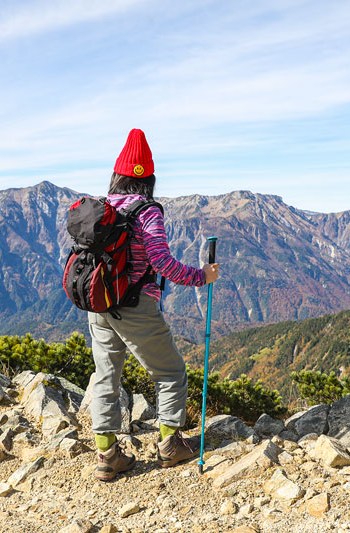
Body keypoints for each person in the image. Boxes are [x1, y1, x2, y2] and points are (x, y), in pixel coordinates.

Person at [89, 128, 220, 482]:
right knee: (170, 371)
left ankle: (107, 455)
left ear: (117, 174)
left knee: (106, 375)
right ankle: (169, 446)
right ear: (148, 178)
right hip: (135, 305)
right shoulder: (147, 212)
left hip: (98, 303)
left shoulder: (102, 209)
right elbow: (161, 262)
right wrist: (201, 276)